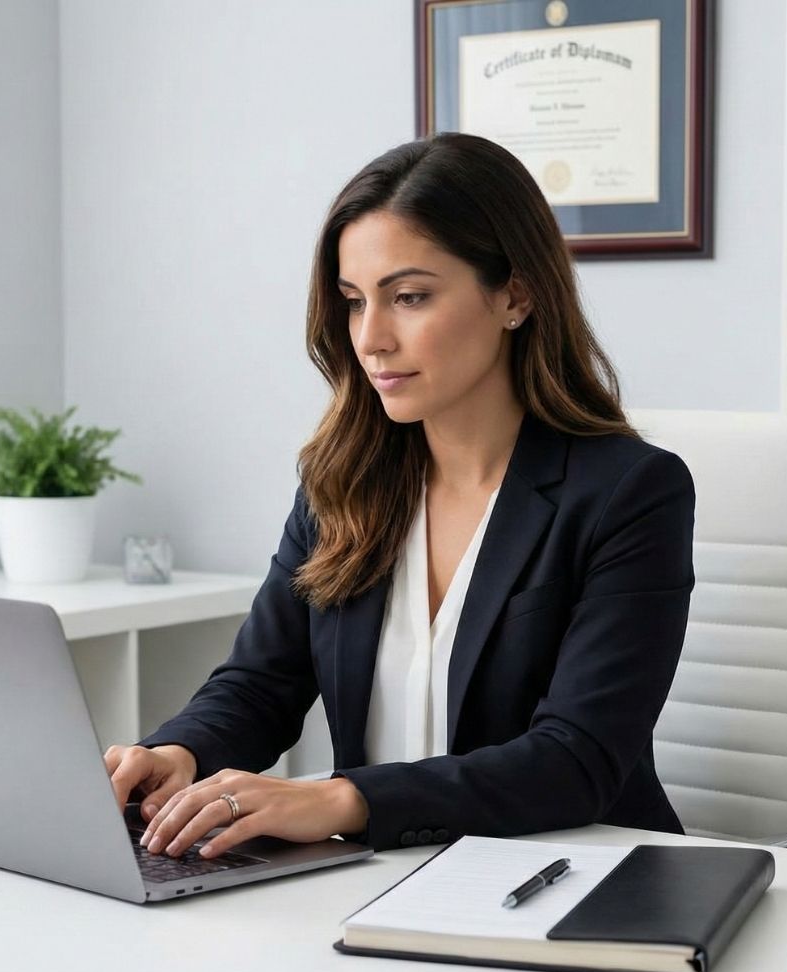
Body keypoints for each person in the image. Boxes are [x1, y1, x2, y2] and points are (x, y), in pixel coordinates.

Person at [103, 132, 695, 860]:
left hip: (574, 881)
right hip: (378, 880)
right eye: (354, 302)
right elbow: (261, 684)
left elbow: (576, 759)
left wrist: (338, 798)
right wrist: (178, 751)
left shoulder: (629, 493)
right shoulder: (342, 482)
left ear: (515, 293)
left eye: (409, 297)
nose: (372, 338)